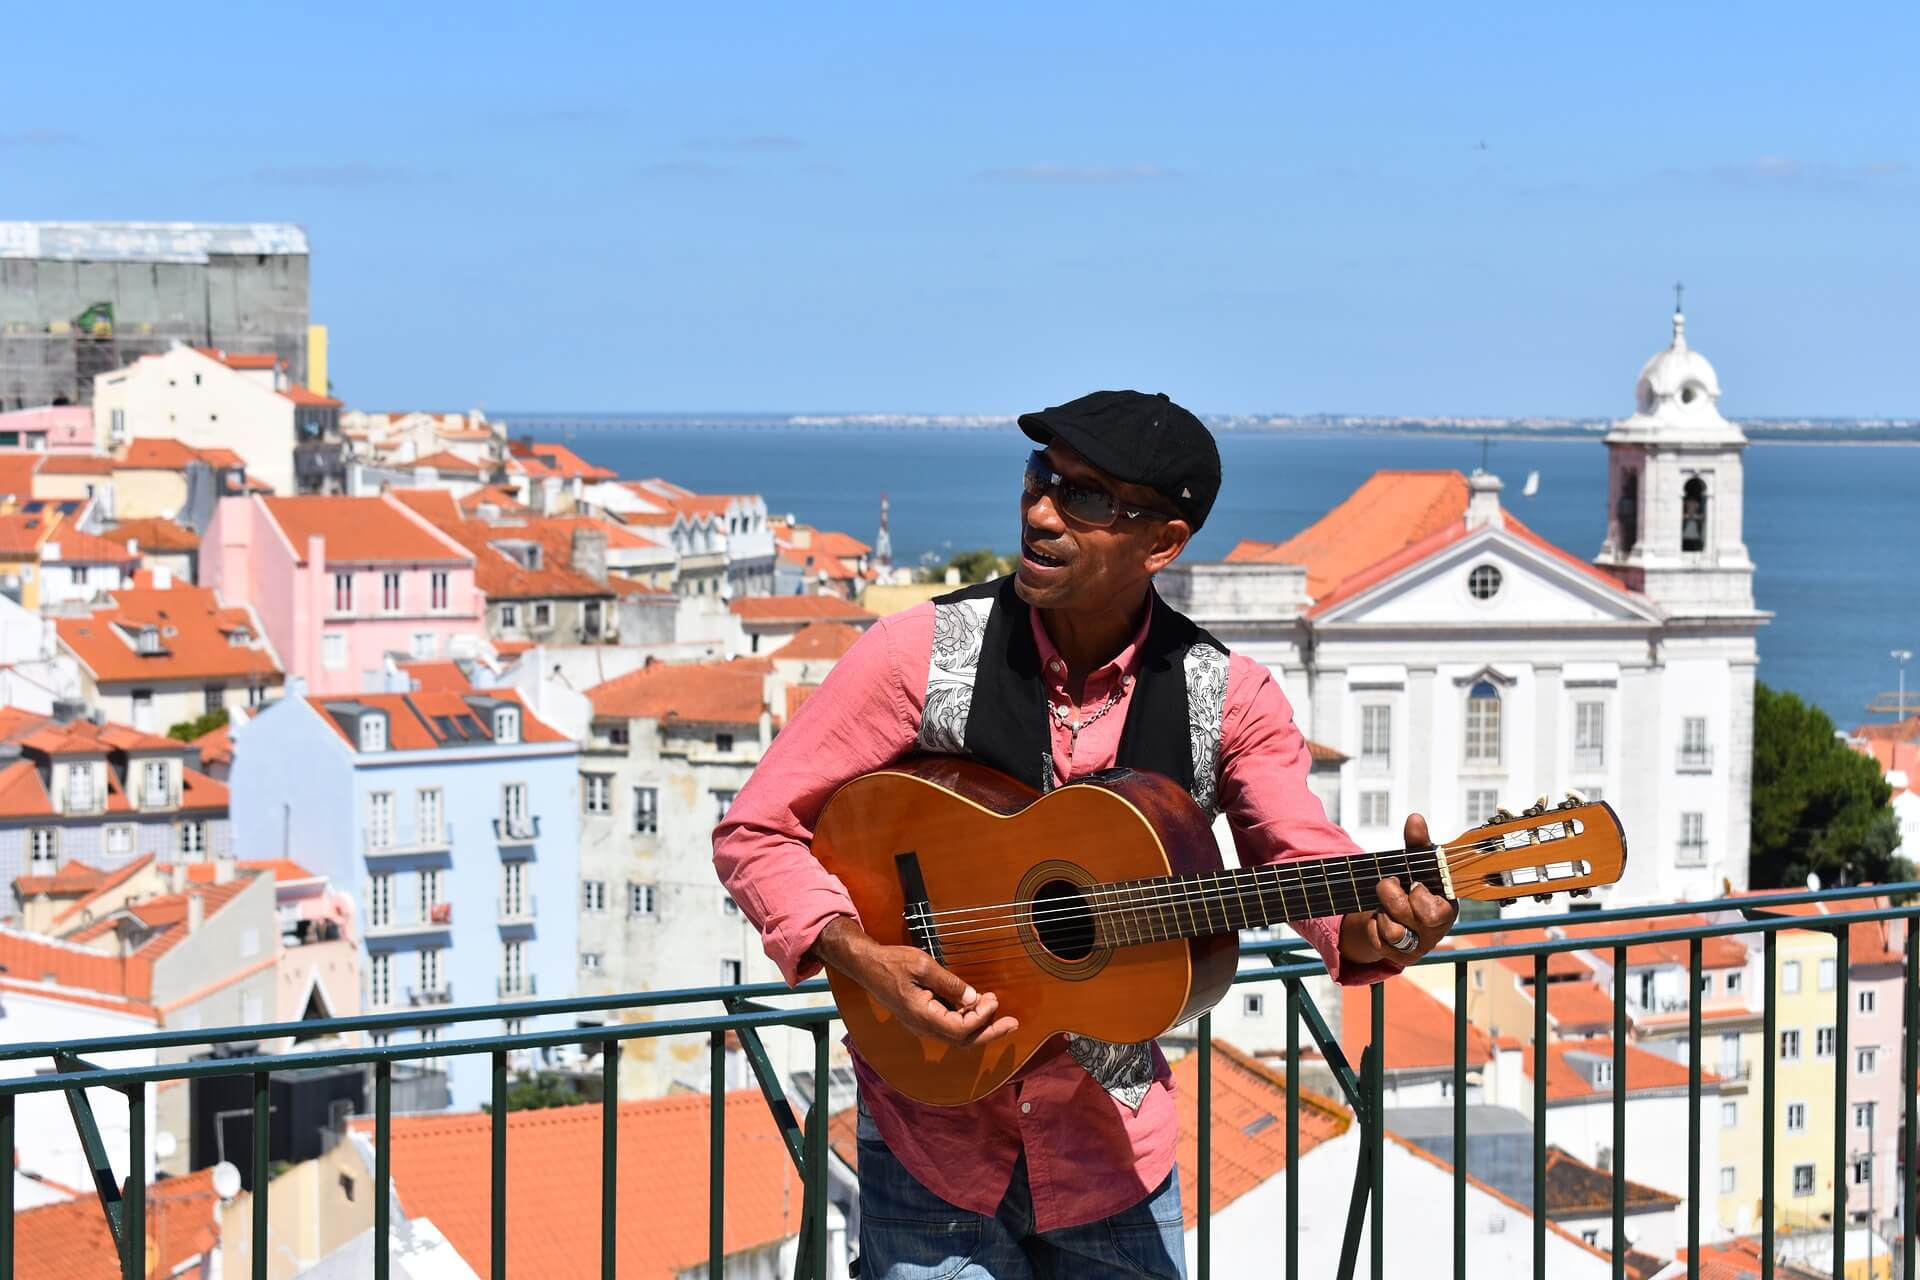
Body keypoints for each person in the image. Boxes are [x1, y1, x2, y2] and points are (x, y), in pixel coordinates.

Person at [714, 390, 1459, 1279]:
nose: (1040, 512)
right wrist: (858, 954)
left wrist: (1367, 926)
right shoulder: (922, 654)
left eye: (1087, 498)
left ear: (1164, 543)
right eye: (1042, 478)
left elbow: (1298, 852)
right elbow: (757, 829)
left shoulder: (1228, 697)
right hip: (932, 1143)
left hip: (1114, 1161)